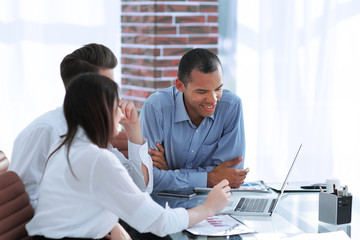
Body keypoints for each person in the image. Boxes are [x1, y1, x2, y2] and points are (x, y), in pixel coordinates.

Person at [26, 73, 231, 239]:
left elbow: (139, 187)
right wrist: (208, 208)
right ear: (102, 111)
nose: (122, 113)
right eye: (117, 104)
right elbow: (159, 222)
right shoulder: (96, 158)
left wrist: (111, 225)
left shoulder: (63, 145)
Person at [9, 43, 151, 210]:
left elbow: (139, 188)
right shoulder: (45, 131)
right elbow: (23, 203)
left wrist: (133, 128)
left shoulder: (93, 130)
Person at [140, 48, 248, 191]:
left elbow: (230, 176)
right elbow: (147, 178)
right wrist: (209, 178)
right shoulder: (156, 107)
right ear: (180, 86)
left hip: (216, 202)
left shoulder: (231, 106)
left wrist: (172, 173)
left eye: (218, 89)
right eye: (202, 91)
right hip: (165, 205)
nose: (212, 99)